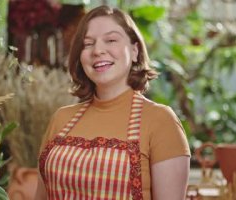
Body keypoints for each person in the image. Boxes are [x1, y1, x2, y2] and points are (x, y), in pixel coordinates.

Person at [35, 5, 190, 200]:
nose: (98, 50)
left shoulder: (161, 121)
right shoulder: (61, 119)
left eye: (111, 40)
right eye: (88, 43)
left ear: (134, 51)